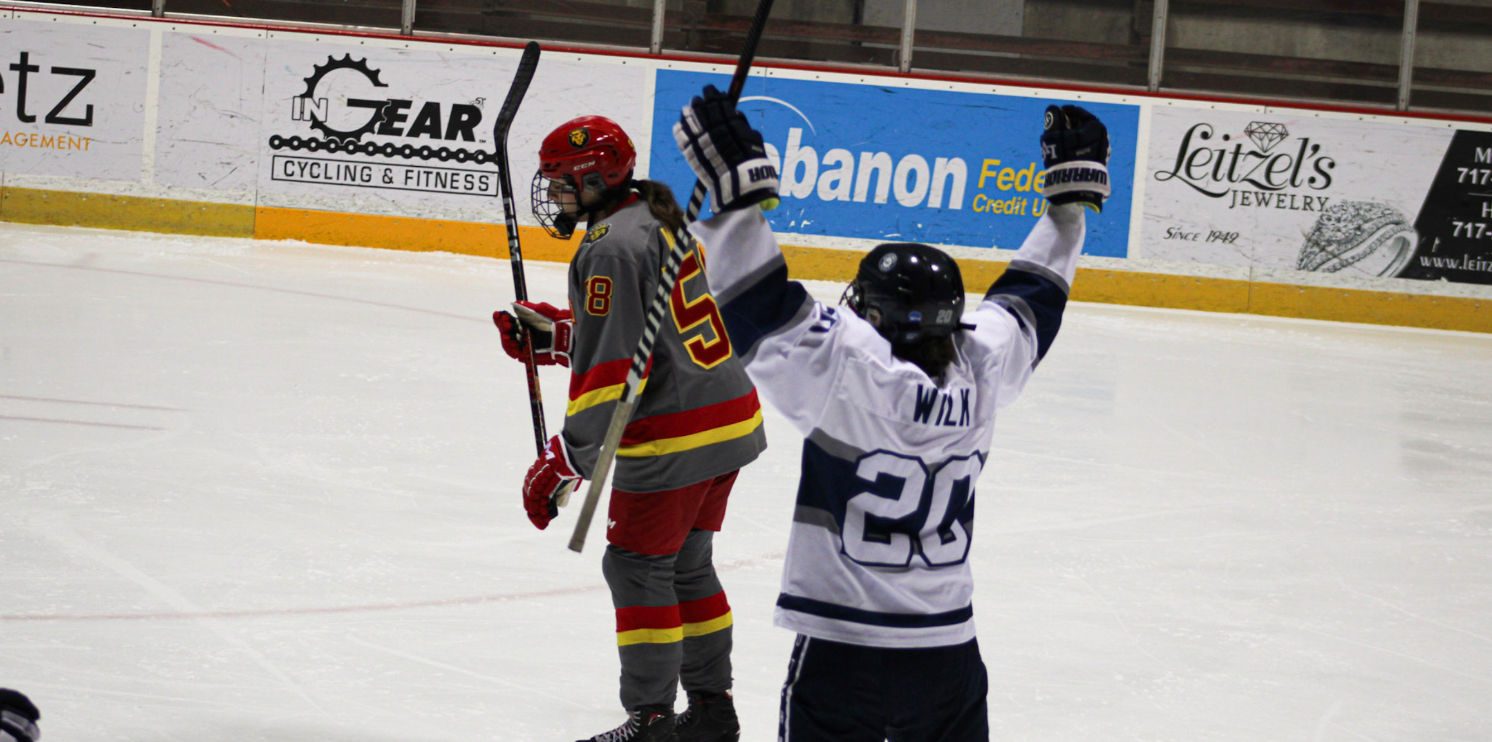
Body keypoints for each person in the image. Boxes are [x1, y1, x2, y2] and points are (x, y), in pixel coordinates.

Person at [674, 87, 1110, 741]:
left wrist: (742, 196)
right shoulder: (984, 364)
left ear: (873, 315)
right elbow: (1035, 292)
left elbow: (754, 301)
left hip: (843, 647)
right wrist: (1069, 206)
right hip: (946, 652)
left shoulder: (851, 373)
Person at [494, 115, 767, 742]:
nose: (556, 195)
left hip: (677, 436)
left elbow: (615, 370)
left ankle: (649, 722)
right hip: (727, 419)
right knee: (688, 565)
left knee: (638, 567)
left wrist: (567, 461)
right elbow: (651, 333)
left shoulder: (610, 246)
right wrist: (561, 336)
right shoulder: (653, 216)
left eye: (564, 182)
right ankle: (712, 713)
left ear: (595, 179)